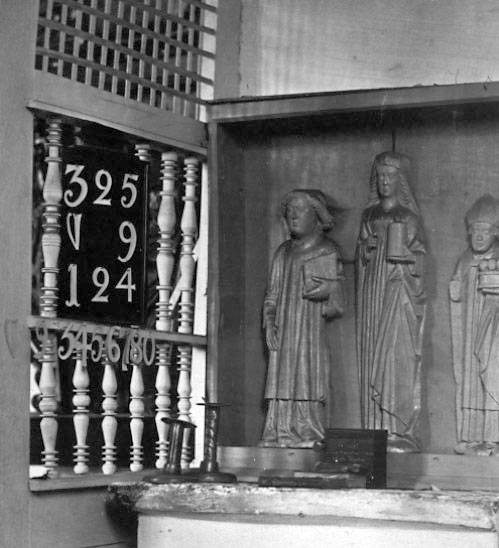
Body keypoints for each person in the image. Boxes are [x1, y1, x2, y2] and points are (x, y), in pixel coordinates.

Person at [261, 189, 345, 448]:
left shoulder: (326, 250)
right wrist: (269, 321)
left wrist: (327, 290)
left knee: (307, 373)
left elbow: (338, 299)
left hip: (308, 328)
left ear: (316, 215)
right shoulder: (282, 253)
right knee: (281, 375)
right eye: (290, 210)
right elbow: (272, 295)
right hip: (284, 328)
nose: (293, 215)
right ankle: (278, 429)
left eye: (300, 209)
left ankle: (307, 429)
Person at [356, 151, 426, 452]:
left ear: (401, 181)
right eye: (380, 176)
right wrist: (365, 249)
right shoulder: (369, 217)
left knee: (397, 355)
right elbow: (360, 256)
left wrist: (408, 258)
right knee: (373, 356)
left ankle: (398, 430)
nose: (384, 181)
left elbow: (420, 261)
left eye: (390, 176)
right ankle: (375, 429)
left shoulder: (409, 218)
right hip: (373, 295)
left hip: (398, 294)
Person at [450, 195, 499, 456]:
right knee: (470, 381)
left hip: (493, 333)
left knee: (493, 377)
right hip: (470, 331)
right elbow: (456, 292)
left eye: (485, 231)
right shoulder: (465, 259)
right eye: (475, 231)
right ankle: (471, 436)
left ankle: (492, 439)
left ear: (496, 234)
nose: (479, 237)